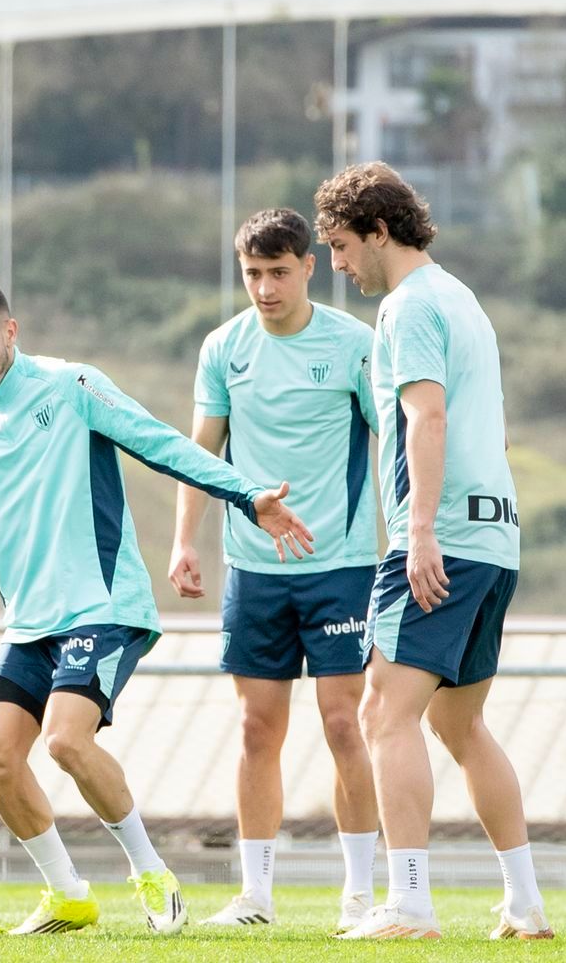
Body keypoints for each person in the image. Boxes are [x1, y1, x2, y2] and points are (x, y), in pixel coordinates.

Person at [0, 276, 314, 937]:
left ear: (10, 332)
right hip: (31, 622)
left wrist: (246, 495)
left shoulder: (72, 387)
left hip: (103, 606)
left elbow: (160, 443)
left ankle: (153, 874)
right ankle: (67, 893)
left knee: (66, 740)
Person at [316, 162, 551, 942]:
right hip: (496, 537)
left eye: (344, 247)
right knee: (459, 726)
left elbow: (428, 419)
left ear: (380, 231)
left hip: (444, 540)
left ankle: (411, 903)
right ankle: (525, 905)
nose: (339, 265)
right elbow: (498, 428)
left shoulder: (409, 308)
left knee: (384, 710)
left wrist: (418, 531)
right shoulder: (462, 299)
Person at [169, 208, 380, 930]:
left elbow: (395, 441)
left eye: (278, 272)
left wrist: (415, 532)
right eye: (252, 273)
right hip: (253, 570)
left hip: (342, 568)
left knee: (343, 724)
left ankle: (359, 895)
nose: (264, 287)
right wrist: (184, 543)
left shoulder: (356, 345)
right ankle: (255, 895)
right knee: (258, 729)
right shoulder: (224, 348)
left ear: (309, 267)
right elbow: (198, 453)